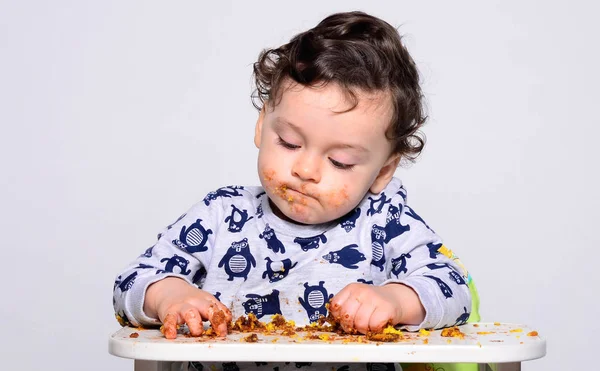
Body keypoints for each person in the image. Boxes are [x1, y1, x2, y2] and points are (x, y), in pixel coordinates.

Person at [113, 11, 478, 371]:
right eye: (288, 142)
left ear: (383, 170)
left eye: (340, 161)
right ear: (261, 126)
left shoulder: (384, 222)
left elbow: (455, 288)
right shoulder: (222, 215)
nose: (305, 170)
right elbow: (132, 281)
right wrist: (170, 295)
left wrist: (396, 300)